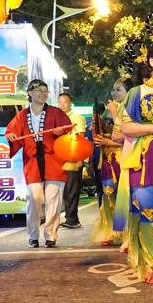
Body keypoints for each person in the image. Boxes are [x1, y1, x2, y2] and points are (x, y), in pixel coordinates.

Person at [111, 24, 153, 283]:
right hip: (146, 159)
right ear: (151, 61)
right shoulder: (137, 93)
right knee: (148, 210)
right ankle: (152, 265)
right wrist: (152, 127)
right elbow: (125, 127)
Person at [6, 80, 72, 248]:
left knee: (53, 199)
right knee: (33, 199)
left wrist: (62, 132)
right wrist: (11, 136)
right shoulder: (21, 115)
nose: (43, 93)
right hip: (32, 160)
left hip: (54, 160)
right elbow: (12, 131)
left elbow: (69, 131)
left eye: (45, 91)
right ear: (29, 92)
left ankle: (51, 235)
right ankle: (33, 235)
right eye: (39, 90)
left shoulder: (56, 113)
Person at [90, 78, 130, 247]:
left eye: (119, 90)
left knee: (125, 196)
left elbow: (128, 137)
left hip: (125, 156)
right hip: (107, 159)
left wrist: (115, 113)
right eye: (113, 89)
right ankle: (108, 231)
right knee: (108, 193)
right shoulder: (108, 110)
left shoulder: (130, 110)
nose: (114, 93)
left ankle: (128, 235)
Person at [57, 93, 87, 229]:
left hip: (72, 158)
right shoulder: (57, 118)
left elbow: (81, 138)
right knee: (63, 189)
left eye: (65, 102)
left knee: (71, 189)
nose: (62, 105)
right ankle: (69, 217)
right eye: (60, 102)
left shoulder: (76, 118)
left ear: (70, 103)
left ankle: (72, 219)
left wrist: (79, 158)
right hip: (59, 158)